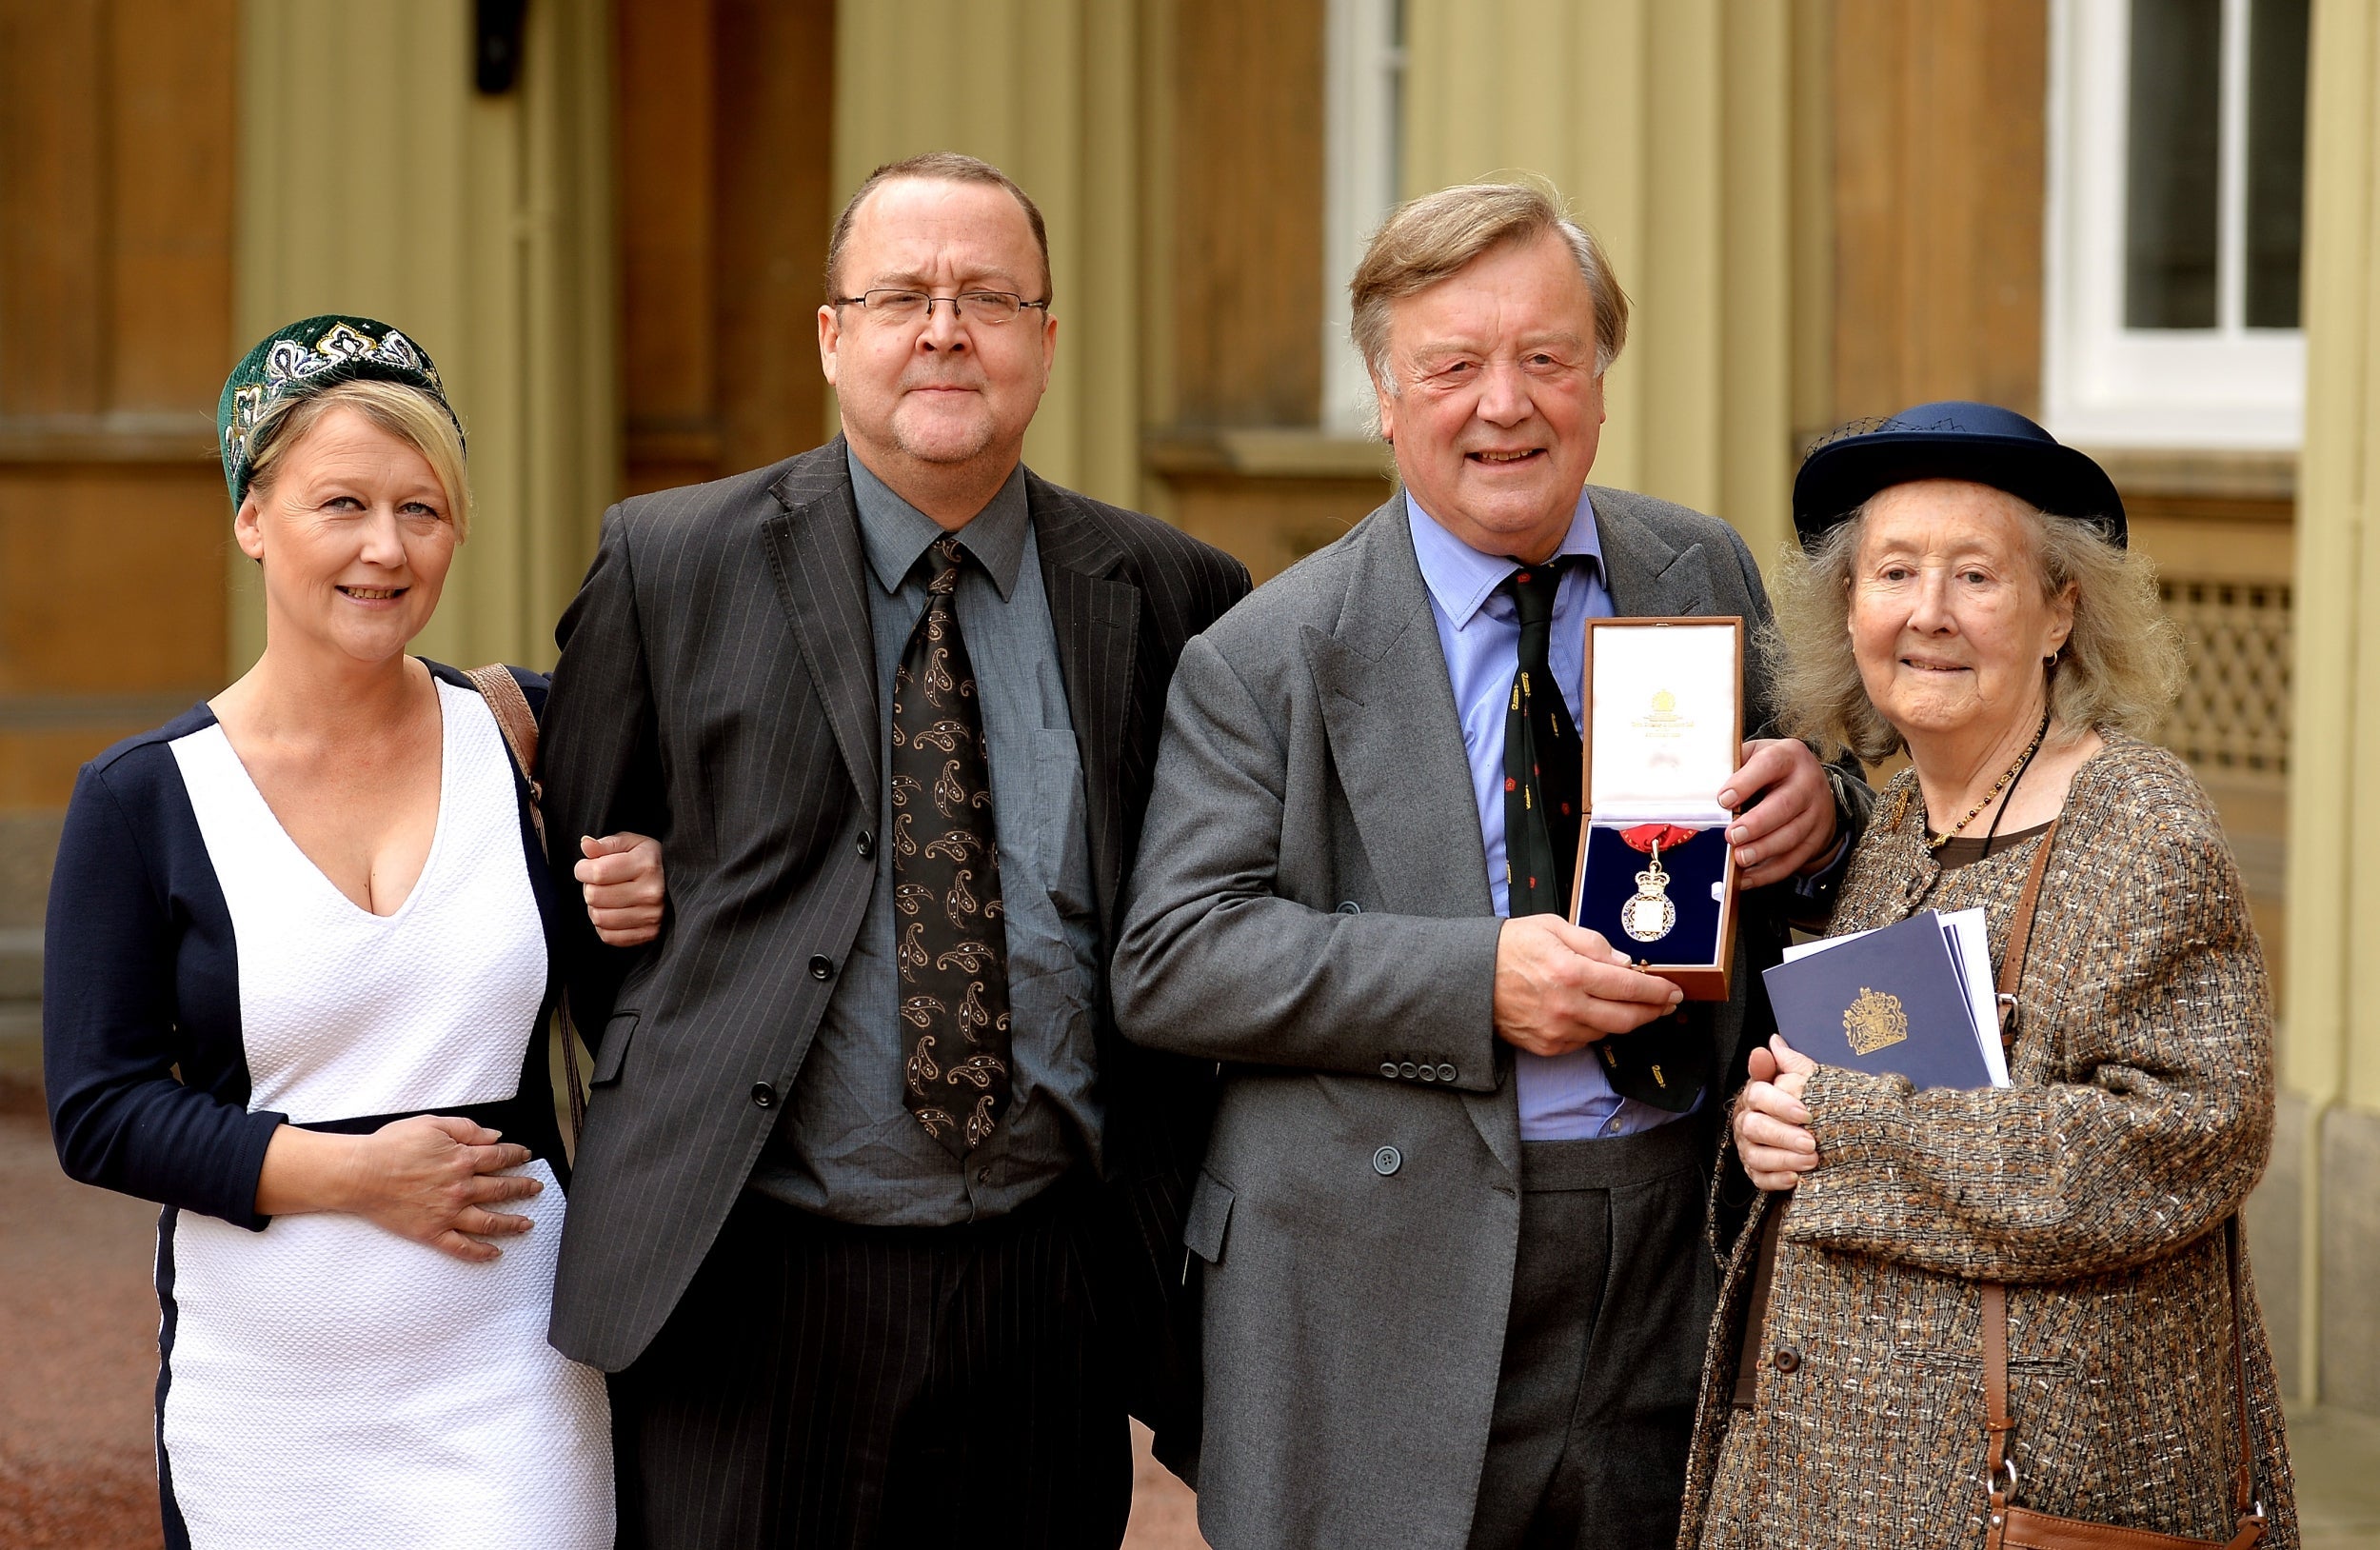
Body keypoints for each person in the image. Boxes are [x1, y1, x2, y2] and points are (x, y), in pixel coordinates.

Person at [1110, 181, 1870, 1550]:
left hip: (1666, 1246)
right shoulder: (1271, 652)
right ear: (1387, 400)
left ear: (1598, 376)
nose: (1504, 405)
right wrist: (1476, 983)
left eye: (1547, 358)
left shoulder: (1697, 565)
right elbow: (1175, 957)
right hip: (1373, 1277)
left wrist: (1818, 804)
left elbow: (1835, 807)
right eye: (1454, 367)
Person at [537, 152, 1250, 1549]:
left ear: (1046, 340)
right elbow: (570, 884)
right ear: (832, 335)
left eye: (989, 296)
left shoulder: (1170, 594)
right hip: (751, 1279)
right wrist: (647, 931)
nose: (944, 328)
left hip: (1049, 1289)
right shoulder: (671, 564)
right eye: (901, 295)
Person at [43, 314, 668, 1547]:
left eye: (422, 510)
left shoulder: (532, 739)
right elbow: (98, 1107)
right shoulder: (143, 798)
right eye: (343, 504)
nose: (386, 549)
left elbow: (649, 991)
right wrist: (360, 1176)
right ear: (252, 519)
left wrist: (647, 886)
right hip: (268, 1403)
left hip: (516, 1379)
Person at [1680, 401, 2299, 1549]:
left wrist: (1844, 1127)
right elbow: (1849, 1083)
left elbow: (2188, 1134)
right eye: (1894, 571)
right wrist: (1770, 1127)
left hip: (2018, 1494)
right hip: (1823, 1476)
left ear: (2061, 607)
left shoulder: (2136, 822)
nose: (1928, 613)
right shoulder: (1900, 817)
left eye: (1976, 575)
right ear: (1847, 609)